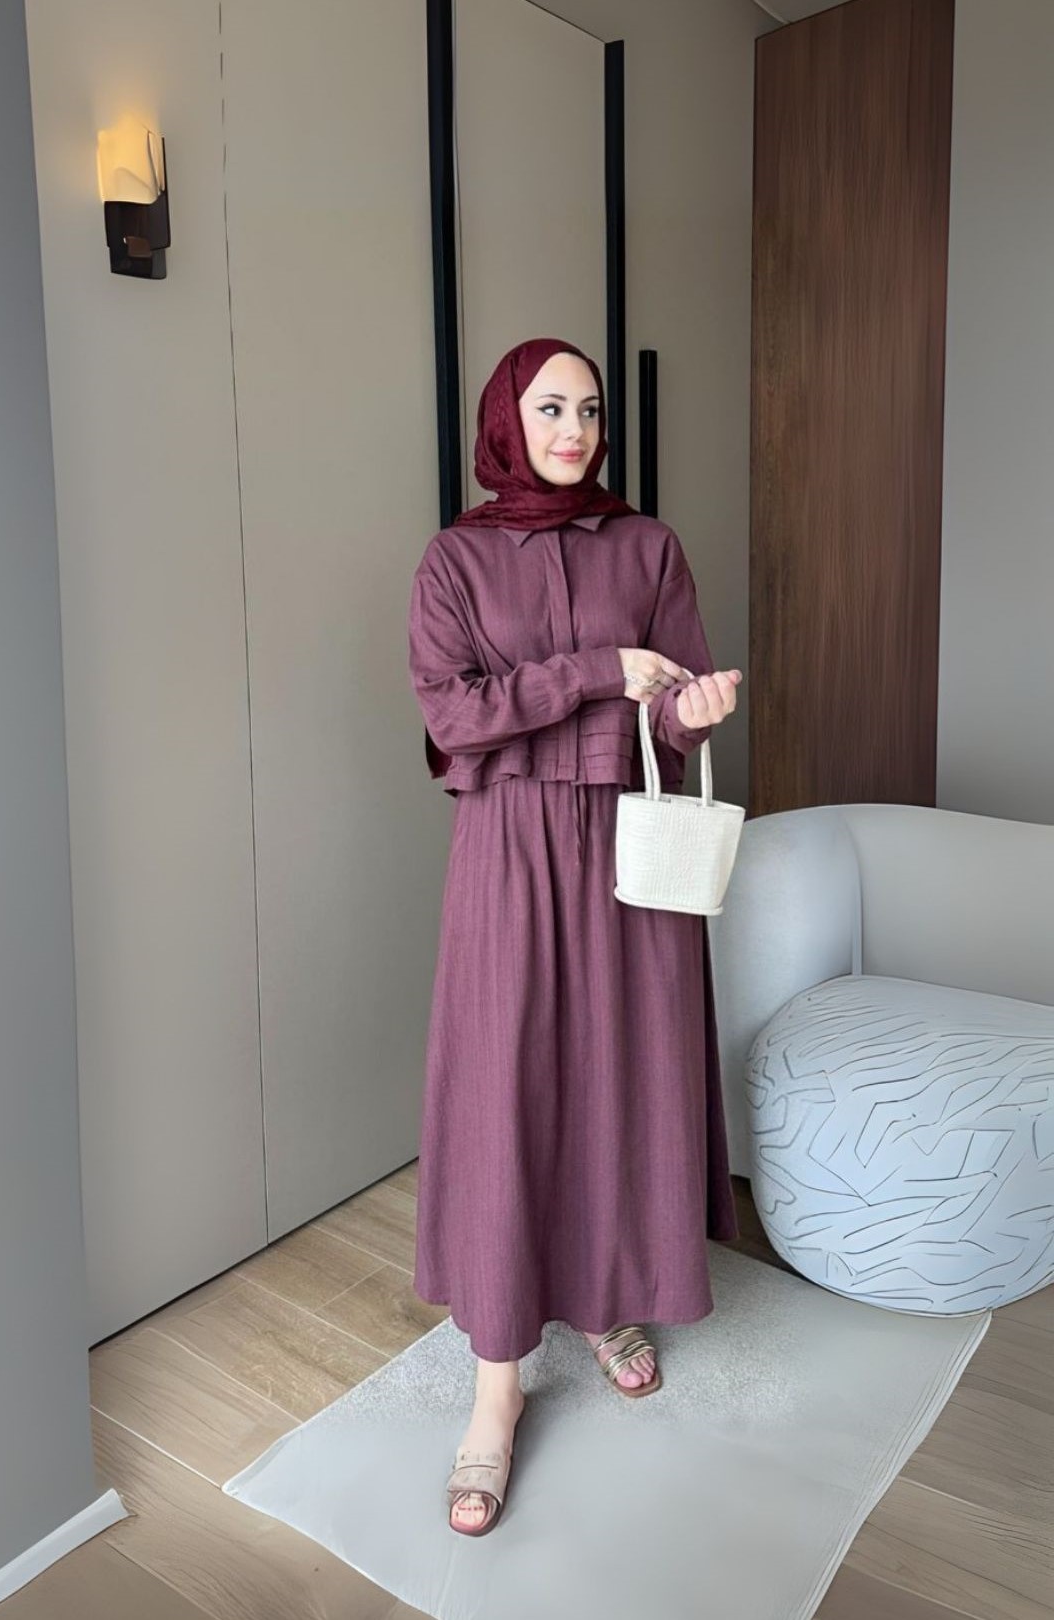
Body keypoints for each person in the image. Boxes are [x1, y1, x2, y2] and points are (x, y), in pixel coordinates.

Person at [406, 336, 742, 1536]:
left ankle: (606, 1297)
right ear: (508, 418)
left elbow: (674, 716)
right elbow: (453, 716)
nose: (575, 429)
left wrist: (695, 712)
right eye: (551, 408)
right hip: (506, 848)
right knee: (508, 1089)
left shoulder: (648, 547)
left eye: (590, 410)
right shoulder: (454, 559)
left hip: (629, 847)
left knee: (621, 1076)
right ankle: (496, 1390)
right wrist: (596, 671)